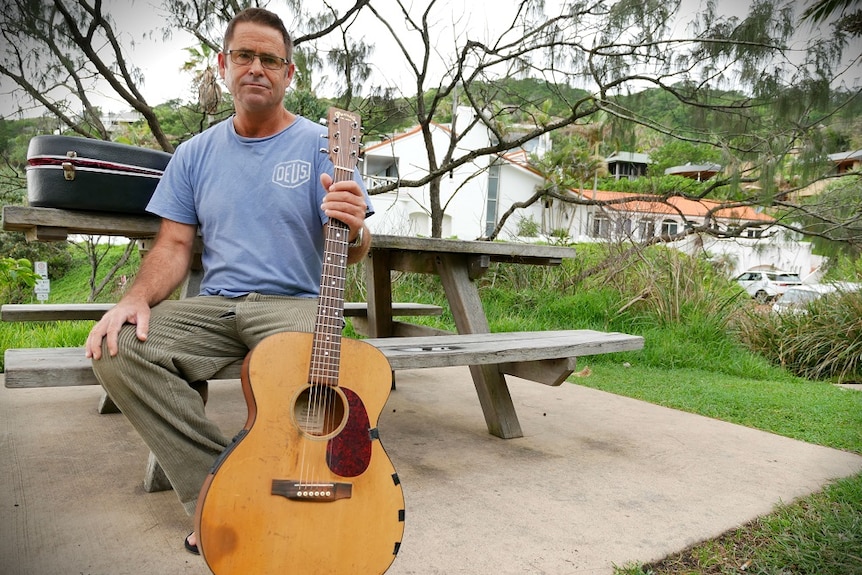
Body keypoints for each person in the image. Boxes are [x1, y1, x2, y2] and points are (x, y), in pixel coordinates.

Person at [84, 7, 372, 555]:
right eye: (245, 55)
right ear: (224, 65)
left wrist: (356, 228)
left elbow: (354, 250)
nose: (256, 68)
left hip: (293, 304)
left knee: (314, 363)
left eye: (270, 59)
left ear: (289, 74)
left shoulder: (324, 145)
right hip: (214, 307)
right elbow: (172, 246)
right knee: (115, 349)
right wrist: (132, 300)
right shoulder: (193, 155)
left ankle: (277, 488)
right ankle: (218, 490)